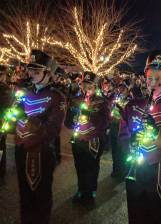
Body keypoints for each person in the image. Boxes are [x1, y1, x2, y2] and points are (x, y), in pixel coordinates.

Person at [119, 50, 161, 224]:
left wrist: (157, 132)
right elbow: (122, 136)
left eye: (159, 80)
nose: (153, 84)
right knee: (136, 215)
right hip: (136, 169)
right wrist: (130, 143)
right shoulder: (132, 106)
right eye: (150, 78)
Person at [14, 49, 66, 224]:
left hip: (42, 152)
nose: (32, 74)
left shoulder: (57, 96)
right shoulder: (24, 93)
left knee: (41, 195)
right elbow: (15, 119)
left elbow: (52, 129)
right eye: (31, 70)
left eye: (37, 71)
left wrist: (31, 126)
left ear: (48, 73)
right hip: (22, 149)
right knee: (24, 194)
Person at [69, 71, 110, 203]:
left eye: (90, 85)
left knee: (92, 167)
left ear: (96, 86)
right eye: (84, 85)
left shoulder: (102, 101)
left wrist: (90, 116)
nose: (86, 88)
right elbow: (67, 122)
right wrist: (72, 117)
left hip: (94, 140)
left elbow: (106, 122)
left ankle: (90, 192)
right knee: (79, 166)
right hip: (78, 139)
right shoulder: (76, 100)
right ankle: (81, 190)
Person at [0, 65, 11, 178]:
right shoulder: (5, 88)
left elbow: (5, 105)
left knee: (1, 145)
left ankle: (1, 169)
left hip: (1, 121)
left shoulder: (5, 88)